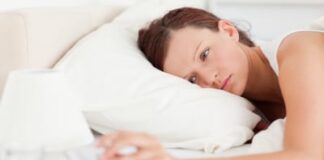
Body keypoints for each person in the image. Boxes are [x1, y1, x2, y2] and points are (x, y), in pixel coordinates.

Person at [97, 7, 324, 160]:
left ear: (228, 31)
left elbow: (307, 154)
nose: (208, 79)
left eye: (204, 54)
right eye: (192, 79)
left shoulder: (298, 49)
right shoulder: (248, 117)